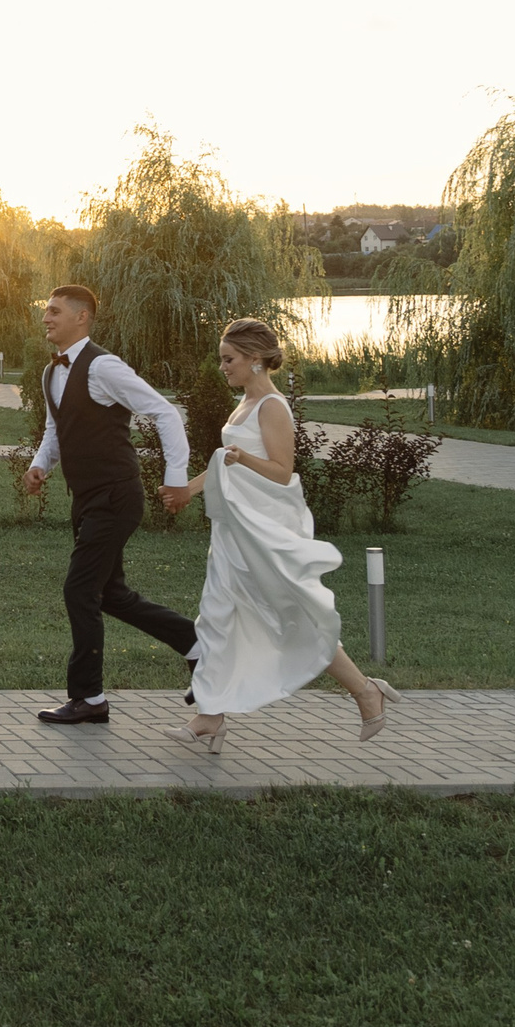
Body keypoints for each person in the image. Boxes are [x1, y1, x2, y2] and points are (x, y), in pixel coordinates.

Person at [168, 318, 398, 752]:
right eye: (222, 359)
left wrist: (240, 458)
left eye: (229, 359)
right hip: (234, 531)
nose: (223, 367)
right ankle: (210, 716)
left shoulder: (272, 406)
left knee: (292, 614)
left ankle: (367, 691)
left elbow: (282, 471)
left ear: (256, 359)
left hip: (264, 530)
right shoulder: (243, 405)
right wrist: (187, 491)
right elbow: (225, 461)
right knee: (217, 614)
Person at [19, 284, 199, 725]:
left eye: (55, 311)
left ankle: (90, 698)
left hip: (116, 495)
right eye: (45, 311)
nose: (46, 318)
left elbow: (164, 412)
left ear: (82, 317)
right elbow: (56, 430)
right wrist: (40, 465)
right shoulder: (51, 373)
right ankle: (199, 645)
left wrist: (177, 479)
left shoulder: (103, 366)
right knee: (110, 594)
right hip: (85, 498)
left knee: (80, 589)